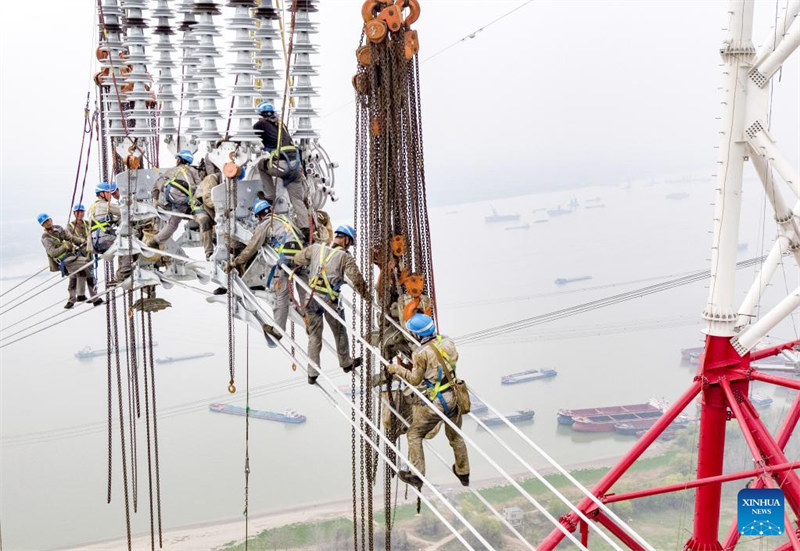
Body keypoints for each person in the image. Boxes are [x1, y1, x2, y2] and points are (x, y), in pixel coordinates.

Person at [387, 313, 470, 489]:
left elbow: (414, 380)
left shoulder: (420, 354)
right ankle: (463, 473)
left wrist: (397, 369)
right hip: (454, 396)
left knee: (414, 434)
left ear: (417, 335)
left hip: (438, 402)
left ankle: (417, 475)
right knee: (455, 436)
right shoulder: (448, 343)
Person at [292, 224, 369, 384]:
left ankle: (312, 374)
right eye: (350, 242)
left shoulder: (315, 248)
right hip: (330, 301)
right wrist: (367, 296)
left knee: (314, 336)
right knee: (339, 331)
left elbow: (297, 258)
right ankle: (345, 362)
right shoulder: (345, 257)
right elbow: (357, 280)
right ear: (346, 240)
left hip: (311, 299)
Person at [230, 199, 303, 332]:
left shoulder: (265, 224)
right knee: (302, 290)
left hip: (286, 259)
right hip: (301, 257)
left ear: (258, 216)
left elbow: (252, 247)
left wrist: (236, 262)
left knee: (280, 296)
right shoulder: (284, 220)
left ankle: (277, 331)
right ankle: (307, 317)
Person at [253, 101, 310, 240]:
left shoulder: (260, 125)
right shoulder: (281, 124)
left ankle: (270, 196)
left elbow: (248, 136)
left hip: (282, 166)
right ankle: (306, 228)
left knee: (261, 165)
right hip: (296, 167)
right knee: (296, 199)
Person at [39, 213, 93, 309]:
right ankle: (82, 295)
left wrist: (81, 241)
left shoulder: (58, 229)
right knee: (86, 264)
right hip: (63, 260)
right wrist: (64, 247)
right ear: (42, 225)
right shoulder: (45, 238)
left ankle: (73, 299)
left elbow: (70, 238)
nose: (47, 223)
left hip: (71, 256)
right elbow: (53, 253)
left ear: (51, 219)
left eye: (48, 220)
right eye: (45, 222)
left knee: (77, 273)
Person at [150, 149, 202, 247]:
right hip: (184, 202)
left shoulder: (171, 170)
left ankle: (155, 241)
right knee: (173, 224)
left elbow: (156, 185)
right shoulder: (193, 170)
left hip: (170, 197)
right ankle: (156, 241)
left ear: (179, 160)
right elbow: (200, 186)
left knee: (161, 182)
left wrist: (155, 200)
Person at [66, 204, 102, 305]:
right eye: (78, 212)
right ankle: (72, 299)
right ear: (74, 213)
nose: (80, 214)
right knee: (75, 276)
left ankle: (94, 298)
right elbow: (69, 238)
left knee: (90, 276)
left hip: (87, 253)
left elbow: (95, 232)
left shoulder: (87, 223)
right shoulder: (70, 226)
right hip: (76, 255)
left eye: (81, 212)